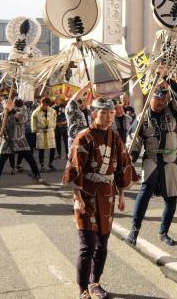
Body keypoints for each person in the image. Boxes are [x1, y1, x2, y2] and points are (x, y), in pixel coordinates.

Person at [63, 97, 138, 299]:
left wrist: (121, 194)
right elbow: (74, 169)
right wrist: (77, 197)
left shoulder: (115, 137)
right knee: (87, 245)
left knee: (102, 245)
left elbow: (123, 165)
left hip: (107, 196)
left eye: (111, 113)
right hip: (87, 195)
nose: (108, 117)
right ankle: (82, 289)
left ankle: (95, 282)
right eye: (104, 113)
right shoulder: (84, 137)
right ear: (94, 114)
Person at [126, 65, 177, 247]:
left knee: (171, 197)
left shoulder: (173, 111)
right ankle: (134, 230)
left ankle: (164, 232)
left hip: (170, 160)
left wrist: (166, 78)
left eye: (164, 100)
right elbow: (133, 141)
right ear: (150, 99)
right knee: (144, 194)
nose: (161, 103)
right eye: (157, 100)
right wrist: (130, 160)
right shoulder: (142, 117)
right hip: (151, 160)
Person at [0, 98, 44, 188]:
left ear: (13, 105)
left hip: (20, 140)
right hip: (7, 141)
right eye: (6, 103)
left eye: (10, 103)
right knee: (0, 161)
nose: (8, 104)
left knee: (30, 159)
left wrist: (14, 113)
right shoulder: (0, 116)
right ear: (3, 105)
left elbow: (24, 119)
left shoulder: (19, 112)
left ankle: (38, 176)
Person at [31, 97, 57, 171]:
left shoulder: (52, 111)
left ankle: (50, 163)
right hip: (41, 132)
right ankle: (42, 165)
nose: (44, 106)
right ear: (40, 103)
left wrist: (52, 127)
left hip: (50, 131)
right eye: (43, 104)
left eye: (46, 105)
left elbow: (55, 120)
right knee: (41, 149)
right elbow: (33, 124)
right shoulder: (36, 112)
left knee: (53, 148)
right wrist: (35, 131)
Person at [66, 82, 92, 150]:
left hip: (87, 138)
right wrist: (85, 87)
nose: (82, 103)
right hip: (75, 139)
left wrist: (90, 90)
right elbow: (73, 100)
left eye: (84, 100)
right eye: (80, 101)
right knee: (75, 159)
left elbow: (89, 100)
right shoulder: (71, 108)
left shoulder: (87, 109)